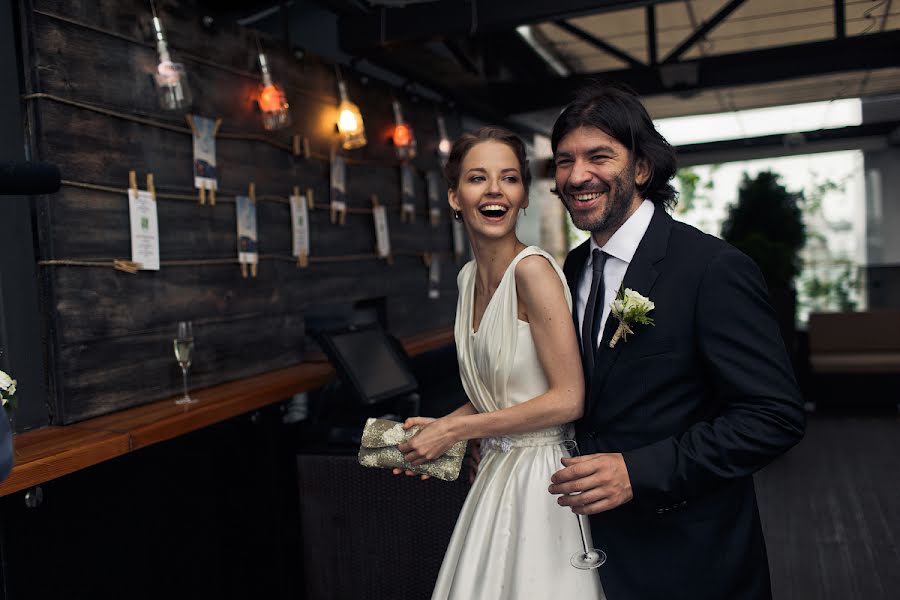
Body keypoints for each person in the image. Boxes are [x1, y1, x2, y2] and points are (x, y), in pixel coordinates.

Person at [547, 82, 806, 599]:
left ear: (641, 167)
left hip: (689, 558)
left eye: (599, 156)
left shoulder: (712, 268)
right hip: (584, 550)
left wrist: (638, 470)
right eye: (563, 161)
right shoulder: (570, 269)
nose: (577, 176)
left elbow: (773, 416)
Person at [397, 127, 604, 599]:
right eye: (477, 178)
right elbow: (502, 391)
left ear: (523, 196)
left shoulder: (533, 271)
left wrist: (455, 432)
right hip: (496, 470)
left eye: (509, 178)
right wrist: (437, 428)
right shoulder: (467, 277)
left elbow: (569, 399)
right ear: (454, 195)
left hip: (543, 478)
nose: (494, 190)